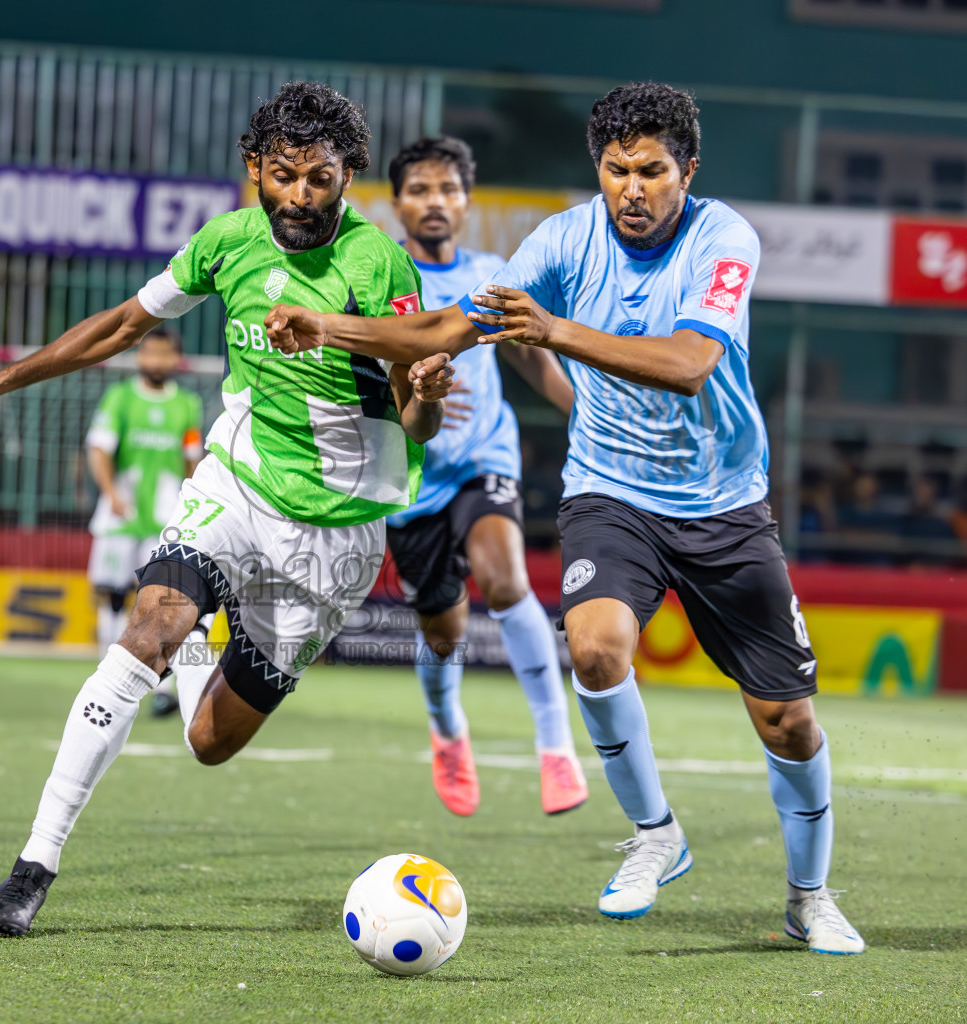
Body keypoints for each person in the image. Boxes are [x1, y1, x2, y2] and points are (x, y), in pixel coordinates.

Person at [265, 82, 864, 955]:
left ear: (688, 170)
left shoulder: (724, 238)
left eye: (652, 171)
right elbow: (444, 328)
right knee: (595, 647)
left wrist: (554, 332)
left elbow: (690, 364)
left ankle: (809, 898)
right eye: (617, 171)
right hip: (610, 492)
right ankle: (656, 835)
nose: (632, 189)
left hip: (725, 506)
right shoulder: (560, 241)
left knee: (789, 723)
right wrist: (327, 326)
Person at [0, 81, 455, 937]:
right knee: (148, 630)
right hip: (236, 483)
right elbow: (123, 325)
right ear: (254, 167)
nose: (300, 197)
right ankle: (32, 867)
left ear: (348, 175)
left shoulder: (378, 264)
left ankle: (200, 645)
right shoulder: (226, 242)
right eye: (283, 175)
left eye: (320, 178)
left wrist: (425, 394)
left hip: (338, 539)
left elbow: (416, 409)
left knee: (209, 742)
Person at [383, 136, 589, 817]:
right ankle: (448, 729)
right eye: (419, 190)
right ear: (397, 204)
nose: (434, 202)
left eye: (448, 190)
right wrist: (413, 395)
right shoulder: (380, 278)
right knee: (443, 632)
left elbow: (527, 356)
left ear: (467, 203)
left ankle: (556, 747)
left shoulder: (491, 276)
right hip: (412, 475)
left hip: (483, 458)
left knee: (505, 581)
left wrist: (582, 413)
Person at [84, 329, 204, 698]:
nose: (156, 360)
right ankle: (108, 675)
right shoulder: (120, 397)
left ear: (176, 359)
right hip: (122, 515)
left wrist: (191, 506)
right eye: (150, 352)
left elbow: (192, 458)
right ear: (140, 355)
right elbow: (99, 449)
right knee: (113, 593)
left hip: (166, 519)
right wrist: (111, 494)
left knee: (166, 600)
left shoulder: (187, 404)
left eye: (164, 353)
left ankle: (162, 685)